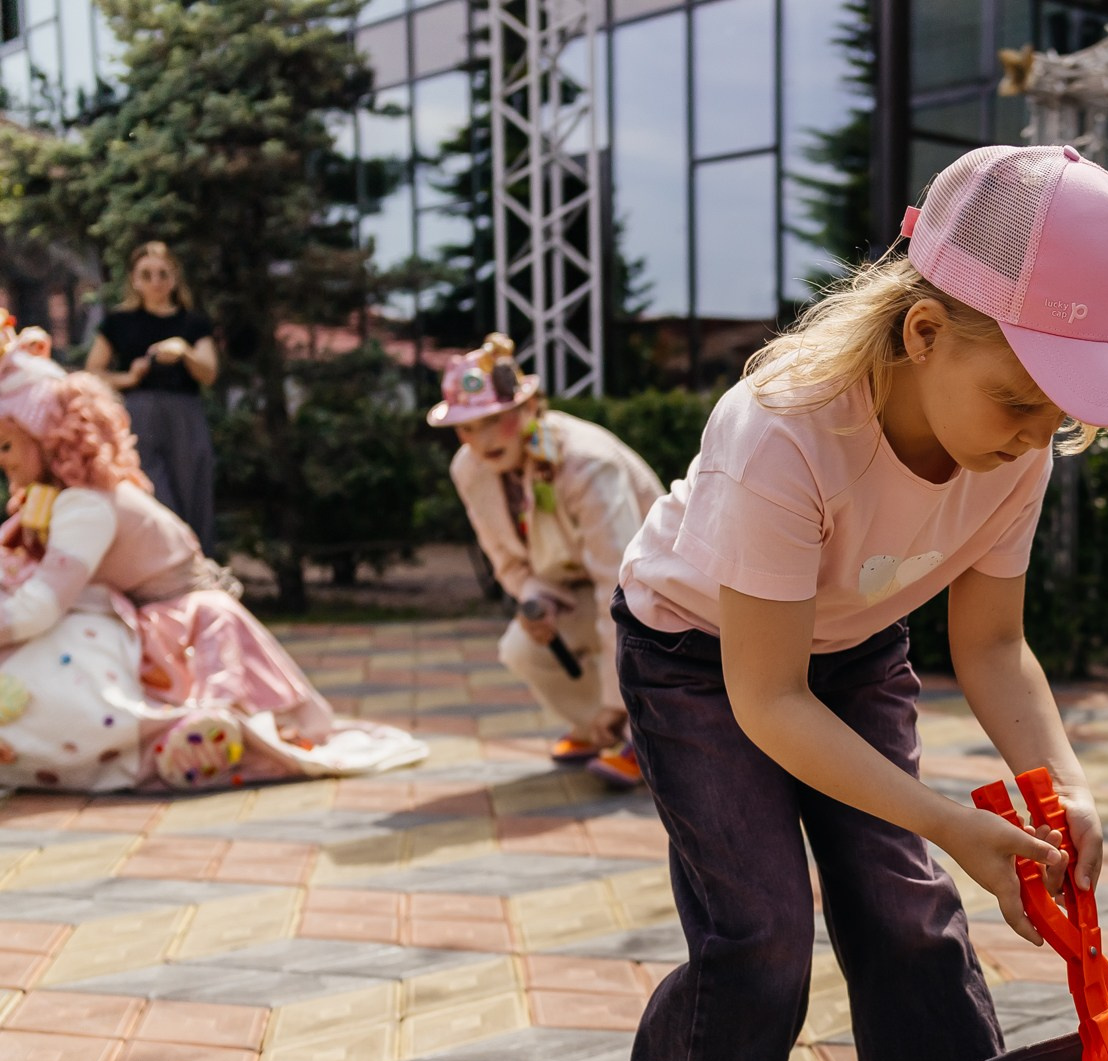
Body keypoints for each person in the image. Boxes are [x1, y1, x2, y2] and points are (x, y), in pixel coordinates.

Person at [558, 144, 1108, 1061]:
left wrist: (1065, 786)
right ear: (923, 335)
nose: (1036, 433)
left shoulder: (1019, 445)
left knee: (908, 919)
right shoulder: (784, 428)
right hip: (703, 658)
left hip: (848, 655)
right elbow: (768, 700)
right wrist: (950, 819)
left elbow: (993, 644)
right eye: (1020, 399)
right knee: (758, 935)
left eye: (1062, 409)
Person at [0, 322, 423, 791]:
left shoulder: (85, 505)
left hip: (180, 621)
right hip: (167, 615)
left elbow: (43, 603)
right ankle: (186, 738)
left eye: (6, 444)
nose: (3, 461)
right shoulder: (70, 496)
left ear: (47, 436)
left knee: (174, 686)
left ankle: (185, 740)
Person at [431, 334, 665, 789]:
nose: (479, 440)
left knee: (623, 633)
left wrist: (615, 698)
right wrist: (535, 597)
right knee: (522, 646)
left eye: (494, 420)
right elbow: (505, 559)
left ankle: (648, 738)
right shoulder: (469, 468)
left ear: (528, 408)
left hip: (651, 592)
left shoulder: (585, 463)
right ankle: (598, 730)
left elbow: (620, 586)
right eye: (467, 426)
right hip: (571, 586)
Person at [86, 242, 221, 555]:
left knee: (193, 492)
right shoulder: (119, 322)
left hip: (185, 414)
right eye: (146, 275)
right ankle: (159, 564)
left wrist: (184, 351)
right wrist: (128, 378)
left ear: (174, 278)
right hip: (138, 414)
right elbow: (93, 371)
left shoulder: (192, 324)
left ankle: (198, 569)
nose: (156, 281)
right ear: (135, 280)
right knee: (151, 491)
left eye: (163, 274)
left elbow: (210, 373)